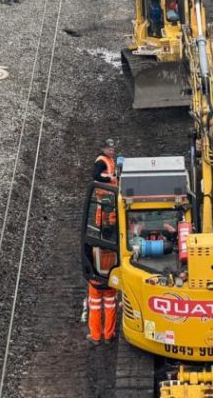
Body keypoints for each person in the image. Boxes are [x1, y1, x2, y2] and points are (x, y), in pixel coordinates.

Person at [86, 139, 119, 344]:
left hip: (96, 282)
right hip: (111, 281)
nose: (111, 150)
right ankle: (109, 335)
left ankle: (97, 335)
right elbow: (96, 176)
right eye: (109, 148)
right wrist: (111, 179)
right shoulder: (101, 161)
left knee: (95, 307)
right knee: (110, 306)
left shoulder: (94, 246)